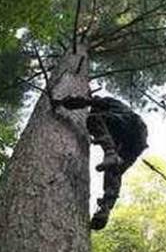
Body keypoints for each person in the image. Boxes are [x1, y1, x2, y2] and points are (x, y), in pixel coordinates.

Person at [52, 94, 148, 230]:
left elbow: (82, 101)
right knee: (114, 171)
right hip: (137, 141)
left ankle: (110, 152)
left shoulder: (108, 102)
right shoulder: (113, 125)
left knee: (93, 120)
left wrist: (61, 102)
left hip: (130, 124)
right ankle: (105, 209)